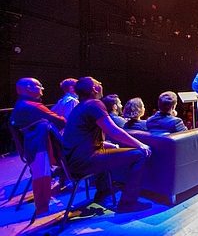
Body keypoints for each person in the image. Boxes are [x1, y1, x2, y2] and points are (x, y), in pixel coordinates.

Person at [63, 77, 152, 213]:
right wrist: (140, 144)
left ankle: (103, 195)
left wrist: (111, 146)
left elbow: (83, 138)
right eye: (99, 83)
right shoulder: (94, 104)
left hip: (72, 161)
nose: (101, 84)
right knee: (139, 155)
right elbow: (114, 131)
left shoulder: (80, 107)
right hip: (83, 161)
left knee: (109, 150)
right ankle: (128, 204)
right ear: (94, 88)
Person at [10, 78, 66, 214]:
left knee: (41, 174)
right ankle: (43, 208)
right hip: (40, 147)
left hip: (31, 148)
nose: (42, 89)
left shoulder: (20, 104)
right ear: (29, 88)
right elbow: (61, 121)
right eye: (39, 86)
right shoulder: (33, 106)